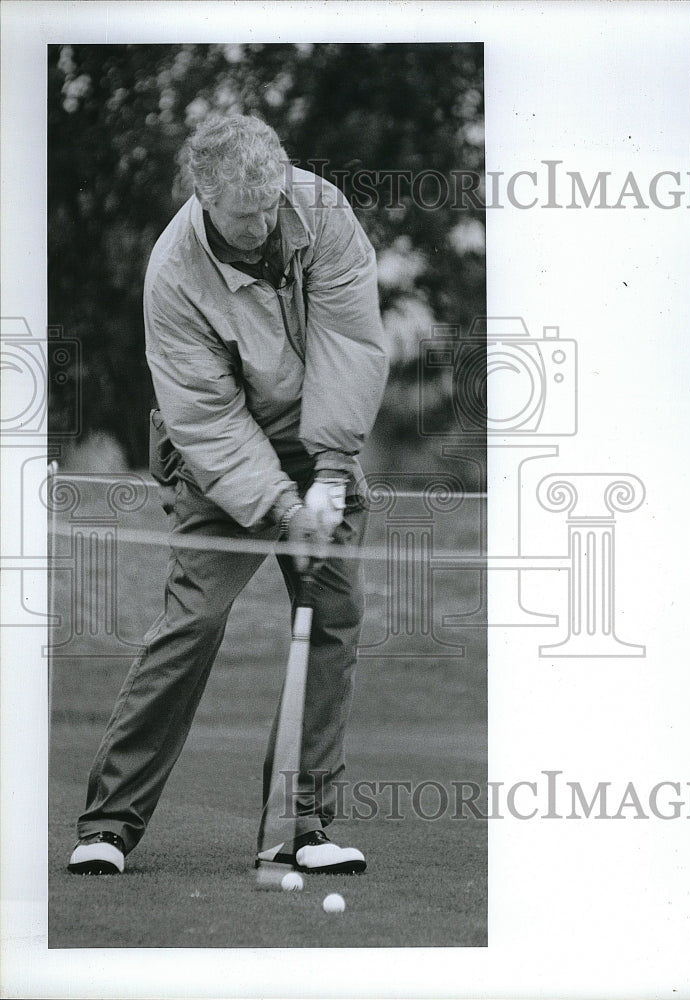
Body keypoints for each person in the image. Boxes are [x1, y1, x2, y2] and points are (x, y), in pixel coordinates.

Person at [67, 114, 388, 876]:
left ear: (283, 182)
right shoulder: (173, 272)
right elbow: (207, 416)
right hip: (215, 453)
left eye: (269, 205)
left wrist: (332, 474)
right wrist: (280, 506)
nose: (259, 225)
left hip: (317, 441)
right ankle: (109, 824)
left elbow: (349, 342)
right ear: (202, 197)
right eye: (241, 216)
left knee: (334, 613)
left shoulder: (321, 212)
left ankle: (300, 828)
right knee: (195, 620)